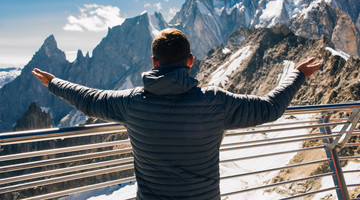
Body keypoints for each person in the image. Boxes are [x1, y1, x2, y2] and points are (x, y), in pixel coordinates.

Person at [32, 28, 321, 200]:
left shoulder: (132, 103)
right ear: (191, 61)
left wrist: (56, 83)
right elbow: (269, 108)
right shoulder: (216, 102)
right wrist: (297, 75)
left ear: (154, 62)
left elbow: (89, 99)